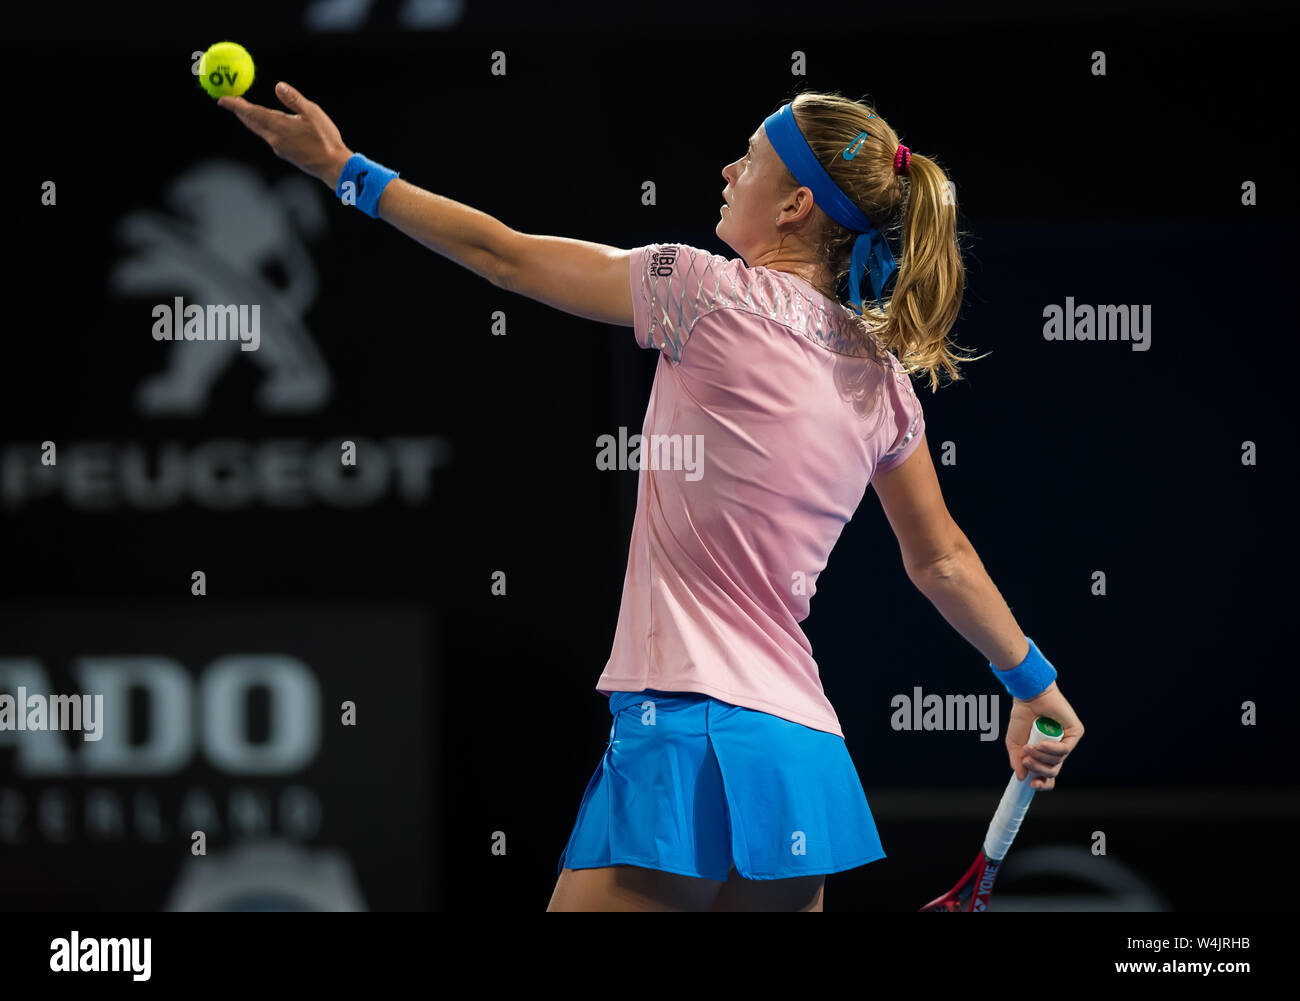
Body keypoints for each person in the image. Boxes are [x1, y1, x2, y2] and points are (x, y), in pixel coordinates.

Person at [220, 83, 1085, 912]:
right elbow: (941, 559)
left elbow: (503, 257)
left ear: (796, 208)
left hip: (686, 736)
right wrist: (1032, 681)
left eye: (747, 161)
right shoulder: (884, 383)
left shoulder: (700, 291)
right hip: (802, 756)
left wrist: (345, 170)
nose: (726, 173)